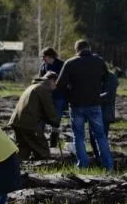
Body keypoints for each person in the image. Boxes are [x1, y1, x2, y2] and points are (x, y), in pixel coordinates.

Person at [56, 39, 113, 171]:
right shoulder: (99, 61)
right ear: (89, 48)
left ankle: (83, 166)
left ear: (76, 50)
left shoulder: (70, 63)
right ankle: (108, 166)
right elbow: (107, 78)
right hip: (94, 104)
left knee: (79, 137)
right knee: (100, 136)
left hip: (76, 105)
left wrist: (69, 96)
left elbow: (60, 85)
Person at [9, 71, 60, 160]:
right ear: (52, 81)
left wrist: (49, 120)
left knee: (24, 148)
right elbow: (49, 108)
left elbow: (39, 109)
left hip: (17, 121)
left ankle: (17, 169)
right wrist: (55, 121)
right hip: (28, 123)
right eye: (55, 83)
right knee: (43, 149)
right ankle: (44, 169)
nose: (55, 87)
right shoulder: (43, 89)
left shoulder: (33, 86)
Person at [89, 70, 119, 159]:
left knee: (101, 138)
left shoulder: (111, 77)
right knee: (92, 138)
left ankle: (105, 161)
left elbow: (109, 95)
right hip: (93, 111)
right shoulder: (93, 74)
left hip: (105, 111)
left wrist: (92, 98)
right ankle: (98, 158)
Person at [39, 47, 66, 147]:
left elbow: (66, 80)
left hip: (59, 96)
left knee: (56, 119)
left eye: (44, 56)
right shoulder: (43, 66)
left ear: (50, 56)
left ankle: (53, 140)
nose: (43, 59)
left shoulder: (62, 65)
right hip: (47, 97)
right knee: (42, 118)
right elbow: (40, 80)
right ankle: (40, 141)